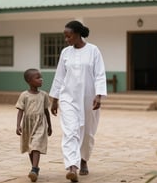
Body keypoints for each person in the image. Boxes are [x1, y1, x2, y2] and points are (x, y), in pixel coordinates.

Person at [49, 20, 107, 182]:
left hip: (89, 99)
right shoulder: (65, 53)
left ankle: (83, 160)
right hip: (68, 98)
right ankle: (72, 167)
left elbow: (100, 74)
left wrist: (99, 95)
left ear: (78, 34)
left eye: (69, 36)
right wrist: (54, 99)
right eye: (65, 36)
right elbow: (59, 76)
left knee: (88, 133)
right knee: (70, 131)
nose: (66, 39)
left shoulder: (93, 51)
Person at [16, 68, 53, 182]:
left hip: (40, 124)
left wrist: (50, 126)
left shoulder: (44, 95)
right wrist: (18, 125)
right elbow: (20, 111)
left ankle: (34, 169)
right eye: (37, 78)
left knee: (36, 144)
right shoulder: (24, 95)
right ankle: (34, 169)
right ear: (29, 80)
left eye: (41, 77)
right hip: (28, 124)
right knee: (30, 147)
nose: (41, 79)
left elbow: (46, 111)